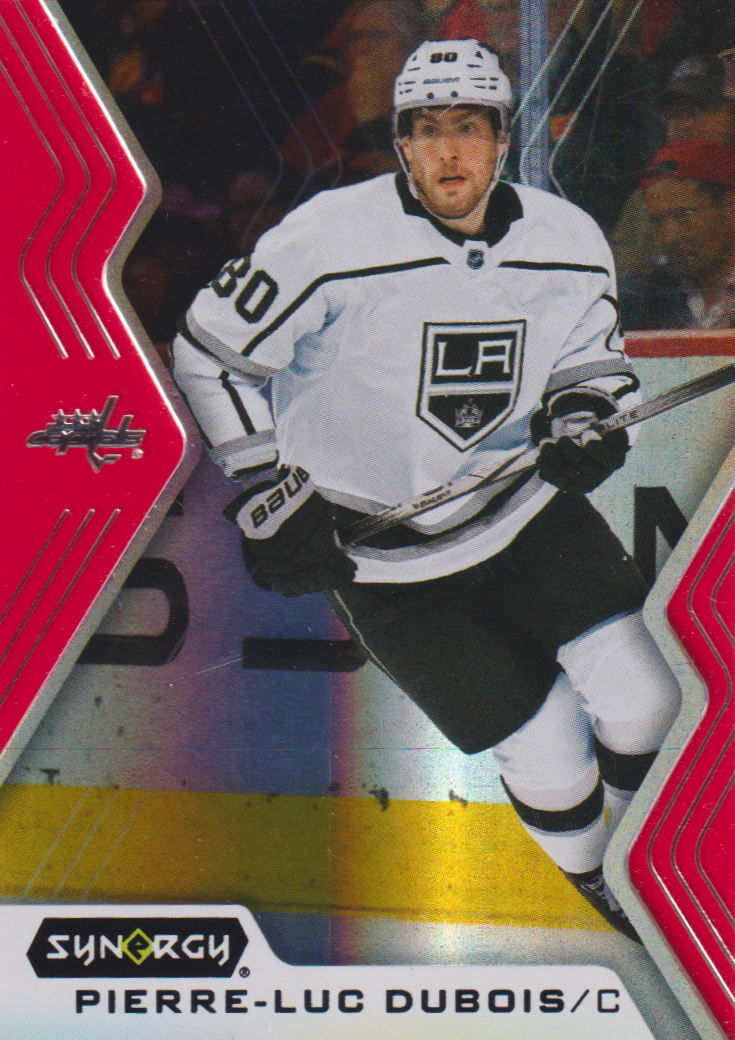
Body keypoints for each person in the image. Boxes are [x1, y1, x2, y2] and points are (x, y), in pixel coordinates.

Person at [171, 39, 681, 942]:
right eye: (426, 129)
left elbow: (590, 363)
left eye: (469, 128)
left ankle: (662, 856)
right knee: (547, 755)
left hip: (524, 511)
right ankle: (605, 886)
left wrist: (584, 419)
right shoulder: (327, 236)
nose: (449, 150)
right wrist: (267, 487)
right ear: (401, 142)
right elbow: (210, 354)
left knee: (650, 699)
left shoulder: (566, 240)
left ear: (501, 138)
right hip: (380, 556)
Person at [619, 138, 735, 330]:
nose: (670, 236)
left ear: (730, 207)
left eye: (684, 215)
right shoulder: (639, 303)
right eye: (657, 221)